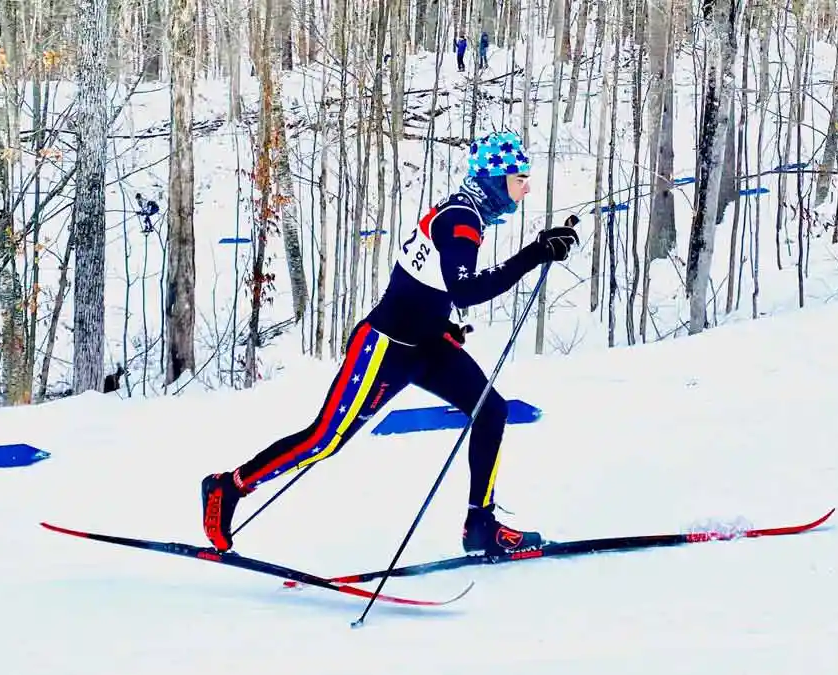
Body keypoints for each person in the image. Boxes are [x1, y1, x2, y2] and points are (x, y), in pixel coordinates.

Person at [201, 131, 580, 556]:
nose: (526, 186)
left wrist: (441, 325)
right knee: (323, 440)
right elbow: (466, 291)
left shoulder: (466, 214)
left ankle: (481, 524)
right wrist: (535, 253)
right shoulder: (460, 219)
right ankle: (227, 487)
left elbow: (423, 282)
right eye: (520, 176)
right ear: (495, 178)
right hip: (384, 347)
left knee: (491, 409)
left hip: (426, 342)